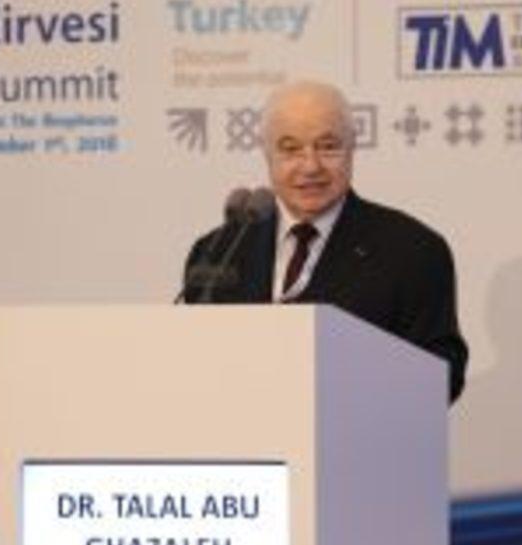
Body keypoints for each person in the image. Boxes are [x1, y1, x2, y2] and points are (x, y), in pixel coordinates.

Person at [182, 80, 468, 402]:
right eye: (290, 149)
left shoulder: (413, 250)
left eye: (328, 146)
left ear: (352, 149)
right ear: (267, 155)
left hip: (360, 429)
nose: (310, 166)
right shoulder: (218, 252)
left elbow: (442, 376)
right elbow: (193, 364)